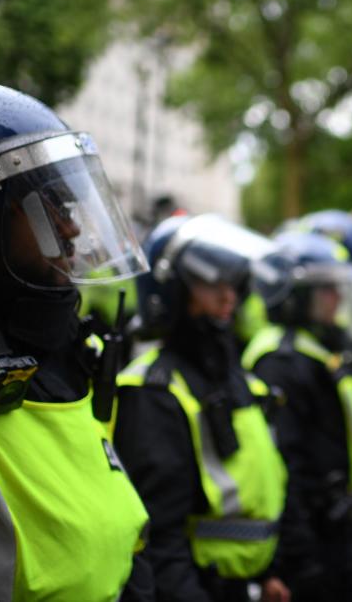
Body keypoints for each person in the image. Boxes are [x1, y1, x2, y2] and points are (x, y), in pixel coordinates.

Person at [0, 82, 152, 599]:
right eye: (48, 205)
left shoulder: (62, 341)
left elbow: (118, 521)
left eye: (71, 203)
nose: (71, 229)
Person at [114, 214, 289, 602]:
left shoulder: (235, 376)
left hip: (245, 583)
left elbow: (259, 488)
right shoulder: (153, 390)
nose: (228, 296)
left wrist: (267, 573)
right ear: (173, 289)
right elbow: (156, 536)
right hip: (194, 587)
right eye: (210, 281)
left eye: (234, 282)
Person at [243, 232, 352, 602]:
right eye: (325, 288)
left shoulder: (315, 348)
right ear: (294, 297)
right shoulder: (280, 362)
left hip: (334, 521)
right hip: (310, 534)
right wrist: (300, 555)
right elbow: (287, 463)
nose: (336, 298)